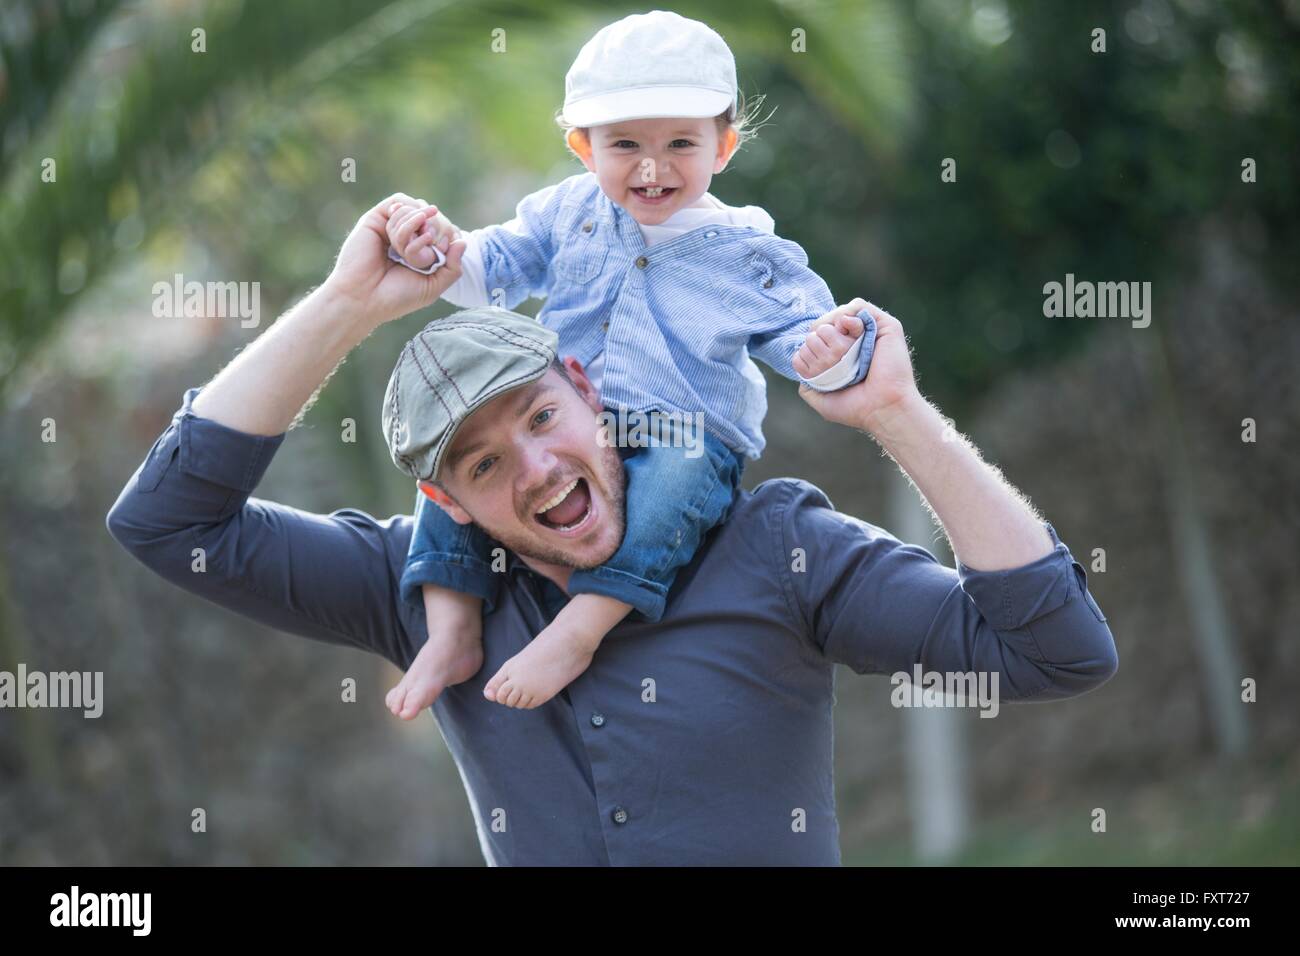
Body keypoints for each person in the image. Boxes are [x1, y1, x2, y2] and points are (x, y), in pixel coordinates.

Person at [106, 192, 1118, 866]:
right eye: (484, 462)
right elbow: (166, 520)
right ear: (448, 502)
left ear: (587, 391)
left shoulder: (774, 546)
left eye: (541, 417)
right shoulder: (419, 590)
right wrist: (343, 305)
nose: (538, 467)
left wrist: (899, 416)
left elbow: (1056, 649)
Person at [381, 10, 876, 715]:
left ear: (724, 146)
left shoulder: (744, 252)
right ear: (583, 148)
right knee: (459, 470)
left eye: (681, 142)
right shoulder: (567, 213)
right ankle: (451, 628)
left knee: (674, 481)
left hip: (683, 429)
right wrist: (435, 250)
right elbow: (491, 270)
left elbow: (804, 338)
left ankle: (582, 627)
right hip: (562, 419)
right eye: (624, 145)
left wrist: (826, 355)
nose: (652, 167)